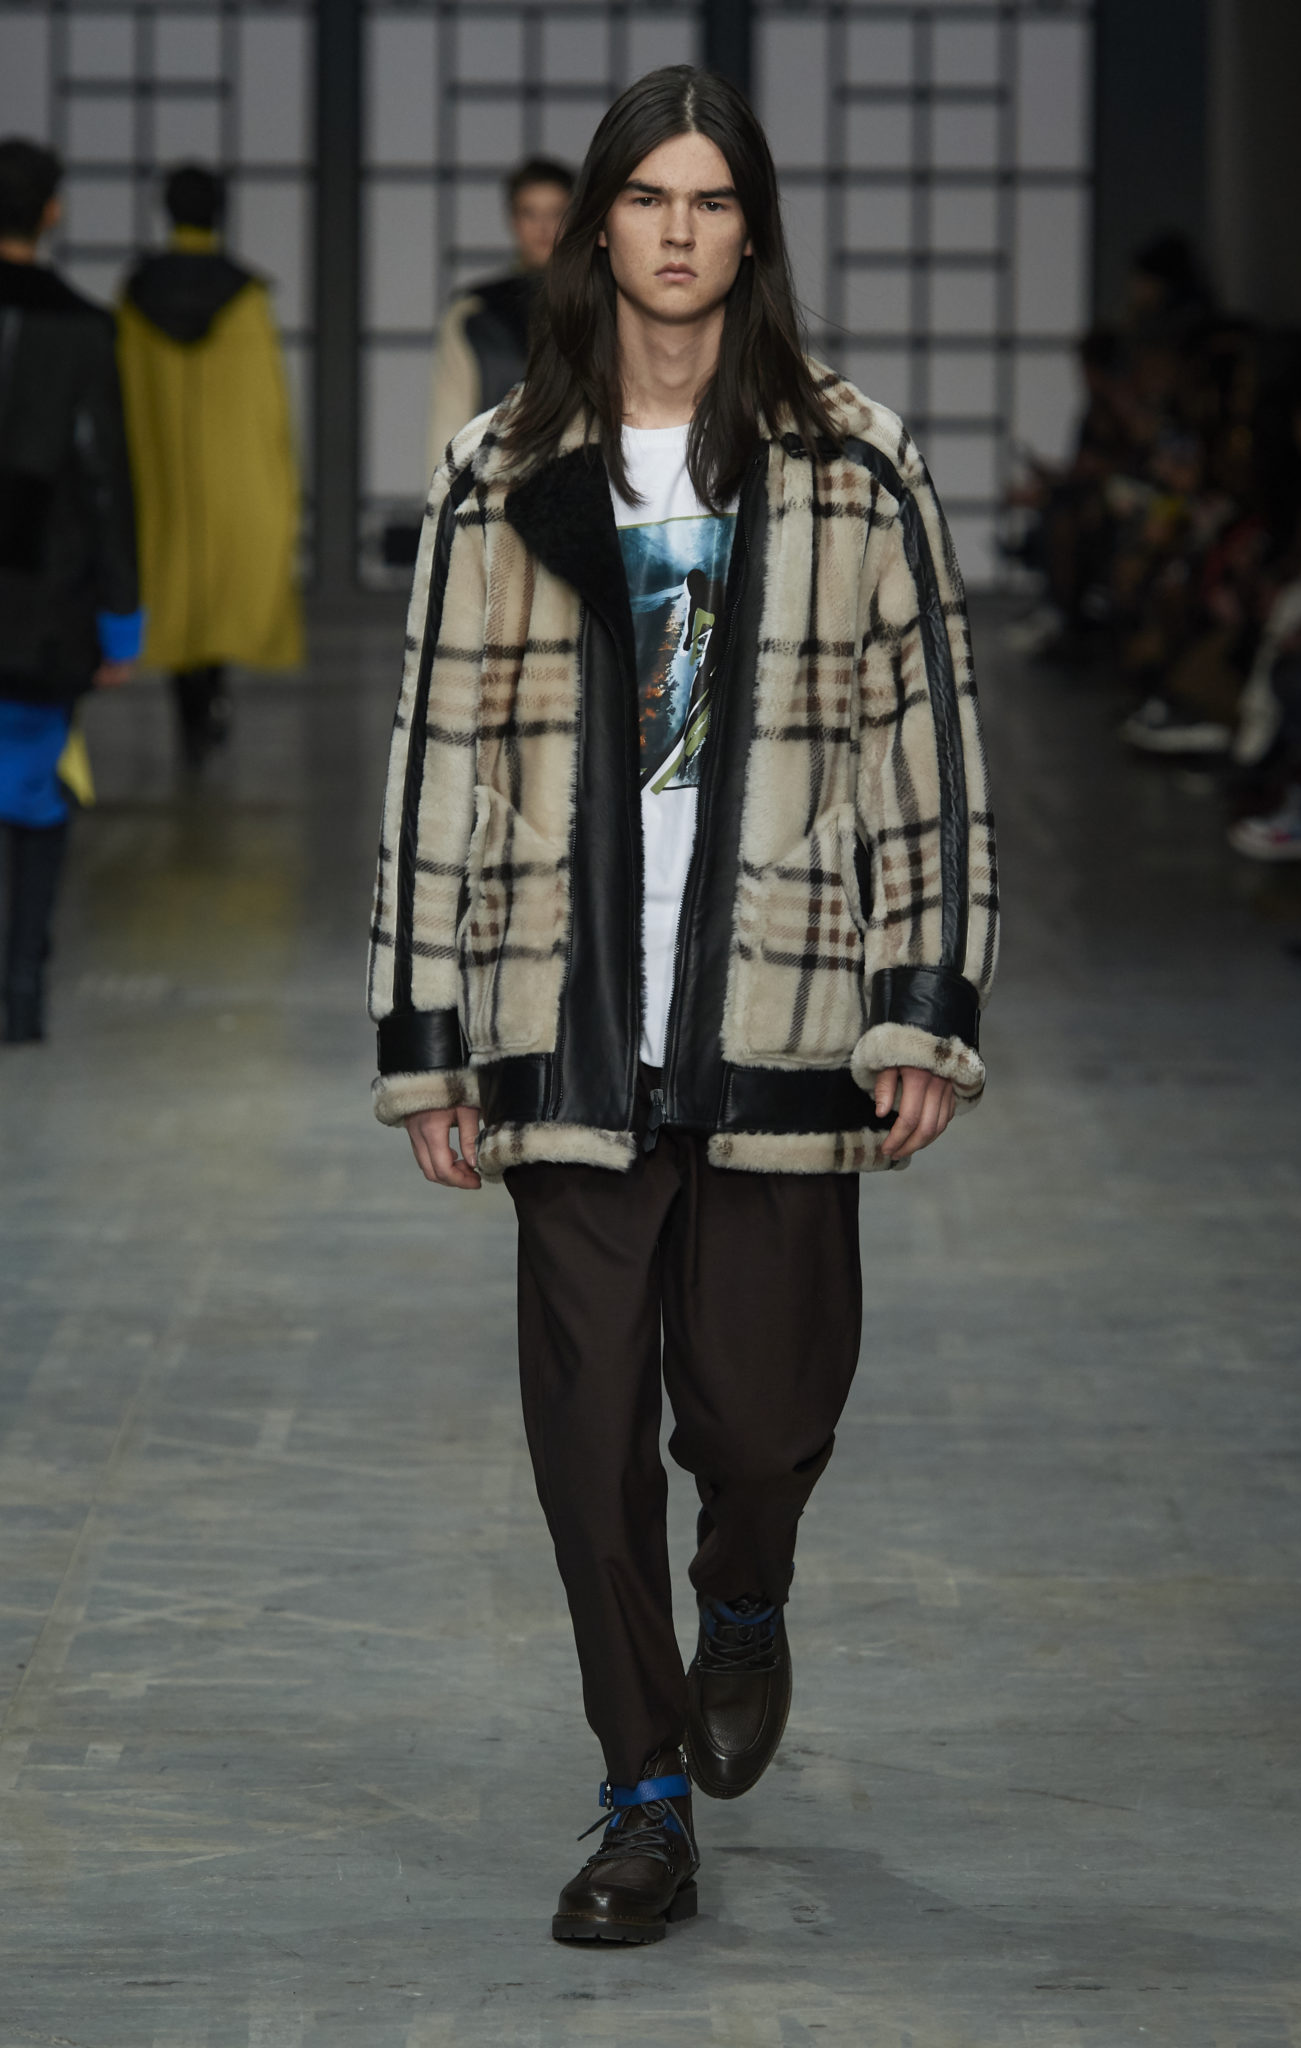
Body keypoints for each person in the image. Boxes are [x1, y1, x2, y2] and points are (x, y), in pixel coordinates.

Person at [368, 66, 997, 1945]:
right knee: (583, 1447)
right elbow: (432, 751)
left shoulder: (855, 463)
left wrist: (923, 997)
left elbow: (927, 740)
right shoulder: (501, 470)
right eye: (648, 196)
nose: (677, 230)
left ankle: (746, 1590)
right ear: (599, 223)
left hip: (781, 1008)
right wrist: (423, 1036)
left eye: (712, 200)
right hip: (560, 1013)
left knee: (761, 1417)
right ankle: (641, 1793)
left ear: (750, 231)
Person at [0, 138, 141, 1043]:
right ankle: (21, 995)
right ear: (51, 212)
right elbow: (104, 483)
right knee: (29, 789)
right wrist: (121, 622)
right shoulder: (84, 329)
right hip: (38, 603)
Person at [117, 164, 302, 769]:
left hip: (159, 464)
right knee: (223, 578)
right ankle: (212, 689)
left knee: (171, 579)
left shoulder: (136, 294)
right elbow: (266, 400)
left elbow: (123, 390)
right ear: (219, 212)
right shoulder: (245, 297)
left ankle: (189, 703)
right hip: (230, 466)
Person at [424, 155, 574, 481]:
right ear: (513, 219)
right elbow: (450, 420)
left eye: (556, 213)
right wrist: (443, 498)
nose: (543, 227)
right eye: (529, 213)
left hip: (588, 485)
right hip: (496, 486)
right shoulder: (474, 314)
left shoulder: (607, 307)